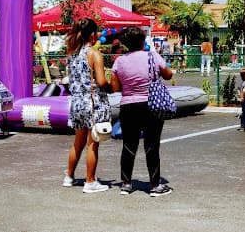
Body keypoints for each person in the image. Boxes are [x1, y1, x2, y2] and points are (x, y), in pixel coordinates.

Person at [110, 25, 174, 197]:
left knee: (128, 145)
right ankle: (154, 185)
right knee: (152, 145)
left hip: (128, 106)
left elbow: (115, 87)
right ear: (142, 41)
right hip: (151, 105)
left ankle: (126, 184)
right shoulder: (152, 56)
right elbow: (168, 75)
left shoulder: (119, 61)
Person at [63, 18, 111, 194]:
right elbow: (101, 81)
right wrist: (112, 86)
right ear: (92, 34)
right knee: (93, 143)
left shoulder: (72, 54)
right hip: (93, 103)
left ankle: (69, 176)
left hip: (77, 103)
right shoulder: (94, 54)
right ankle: (90, 181)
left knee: (78, 142)